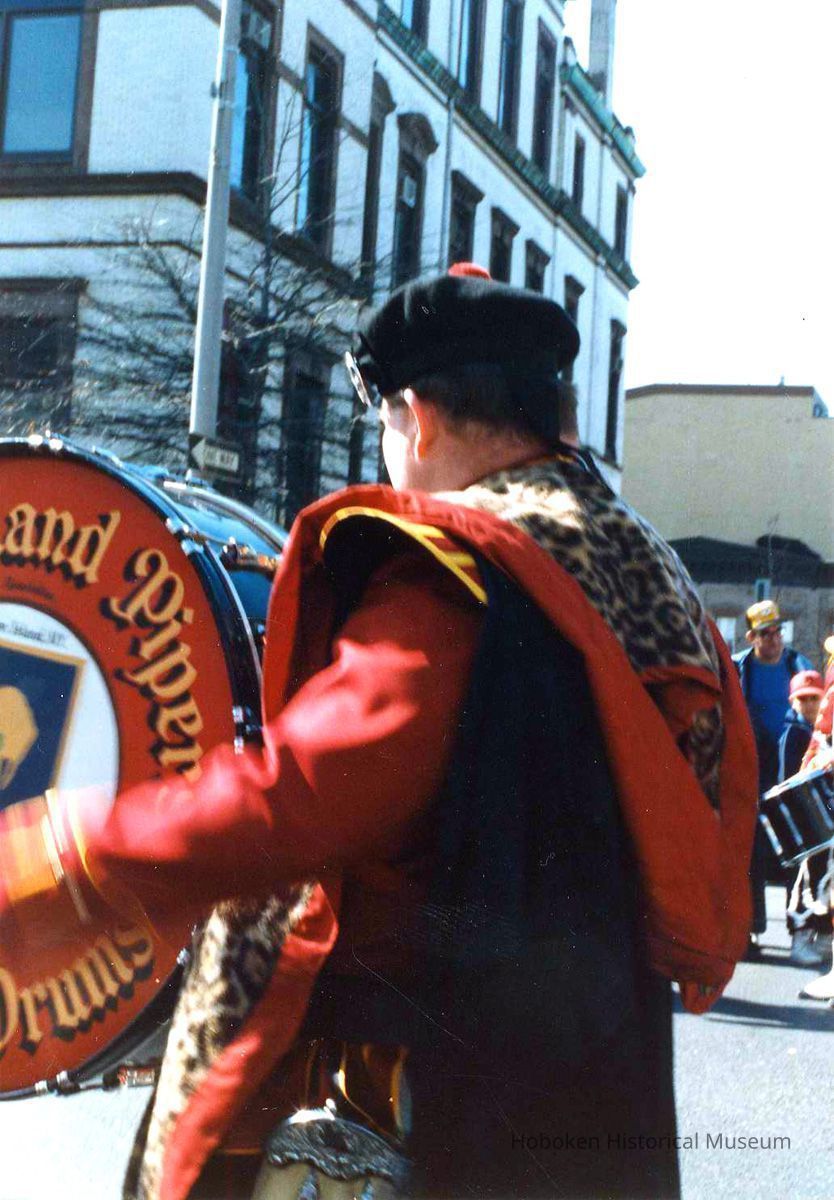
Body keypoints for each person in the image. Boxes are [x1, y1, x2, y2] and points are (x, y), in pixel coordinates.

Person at [0, 269, 757, 1200]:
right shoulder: (651, 574)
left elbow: (304, 795)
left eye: (388, 427)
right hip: (597, 1079)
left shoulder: (459, 571)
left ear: (420, 417)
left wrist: (56, 863)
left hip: (424, 1104)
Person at [733, 601, 812, 951]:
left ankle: (800, 931)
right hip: (753, 769)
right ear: (751, 637)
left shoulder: (798, 665)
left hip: (792, 767)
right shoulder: (738, 669)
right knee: (750, 851)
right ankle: (749, 931)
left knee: (798, 846)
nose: (775, 639)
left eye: (778, 631)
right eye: (766, 634)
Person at [777, 670, 828, 964]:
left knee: (820, 877)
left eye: (814, 699)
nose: (809, 705)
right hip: (800, 817)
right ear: (793, 702)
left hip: (820, 817)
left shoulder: (819, 732)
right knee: (799, 879)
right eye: (803, 699)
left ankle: (820, 934)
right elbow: (787, 781)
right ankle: (798, 938)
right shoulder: (792, 733)